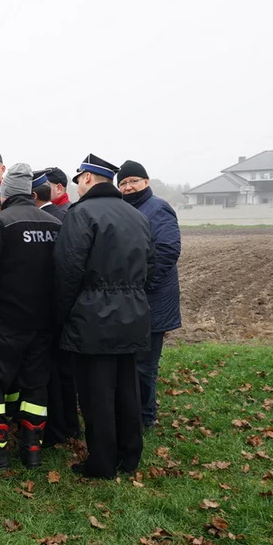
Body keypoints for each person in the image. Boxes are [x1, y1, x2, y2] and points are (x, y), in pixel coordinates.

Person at [54, 154, 154, 479]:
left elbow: (67, 271)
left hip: (92, 317)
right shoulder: (135, 215)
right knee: (127, 388)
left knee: (97, 395)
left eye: (78, 178)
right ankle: (130, 455)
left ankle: (101, 463)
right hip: (132, 313)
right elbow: (150, 265)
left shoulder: (80, 214)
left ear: (86, 178)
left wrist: (62, 314)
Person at [0, 164, 61, 469]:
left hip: (6, 321)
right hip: (43, 321)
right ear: (32, 194)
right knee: (35, 384)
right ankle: (32, 449)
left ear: (4, 194)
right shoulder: (54, 224)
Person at [118, 160, 181, 429]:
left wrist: (142, 285)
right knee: (133, 361)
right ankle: (135, 410)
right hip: (136, 299)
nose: (128, 187)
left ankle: (145, 417)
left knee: (145, 364)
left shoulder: (157, 208)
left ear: (146, 182)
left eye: (133, 181)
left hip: (153, 300)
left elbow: (168, 250)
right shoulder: (126, 210)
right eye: (123, 183)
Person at [31, 169, 80, 446]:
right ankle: (69, 426)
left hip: (48, 307)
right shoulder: (65, 217)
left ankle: (57, 428)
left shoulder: (52, 219)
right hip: (63, 305)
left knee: (53, 373)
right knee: (64, 373)